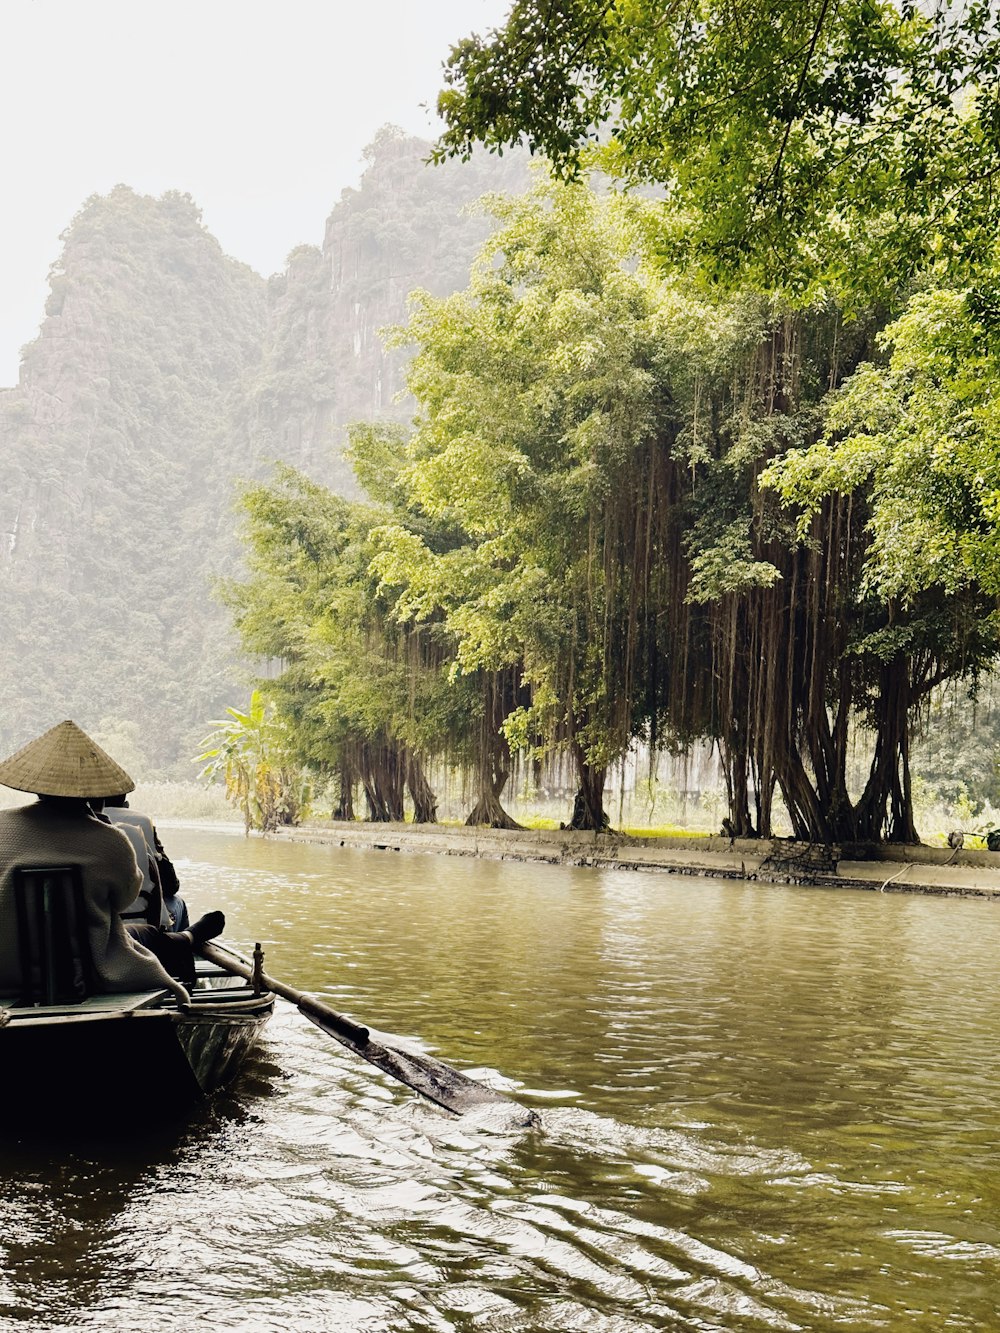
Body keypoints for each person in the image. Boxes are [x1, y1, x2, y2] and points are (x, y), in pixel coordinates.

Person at [0, 720, 221, 1002]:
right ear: (95, 793)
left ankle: (187, 938)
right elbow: (124, 900)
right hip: (92, 971)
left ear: (37, 786)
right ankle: (188, 940)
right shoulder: (110, 840)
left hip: (4, 970)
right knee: (144, 935)